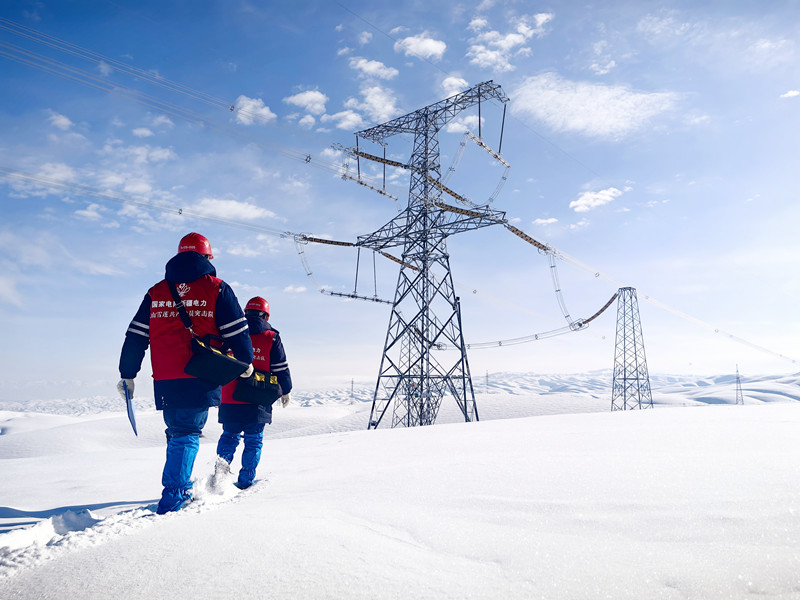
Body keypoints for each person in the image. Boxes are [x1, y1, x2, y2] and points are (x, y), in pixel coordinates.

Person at [117, 232, 254, 514]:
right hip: (201, 372)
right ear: (207, 257)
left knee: (176, 431)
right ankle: (175, 495)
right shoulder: (217, 288)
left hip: (165, 378)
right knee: (187, 432)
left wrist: (128, 373)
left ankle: (178, 485)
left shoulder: (156, 292)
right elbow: (237, 331)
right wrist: (245, 361)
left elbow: (136, 335)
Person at [214, 296, 292, 490]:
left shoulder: (231, 333)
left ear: (245, 312)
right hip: (258, 397)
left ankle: (219, 478)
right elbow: (280, 368)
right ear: (266, 315)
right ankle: (245, 481)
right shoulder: (271, 337)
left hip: (229, 395)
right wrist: (286, 390)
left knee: (229, 436)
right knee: (253, 440)